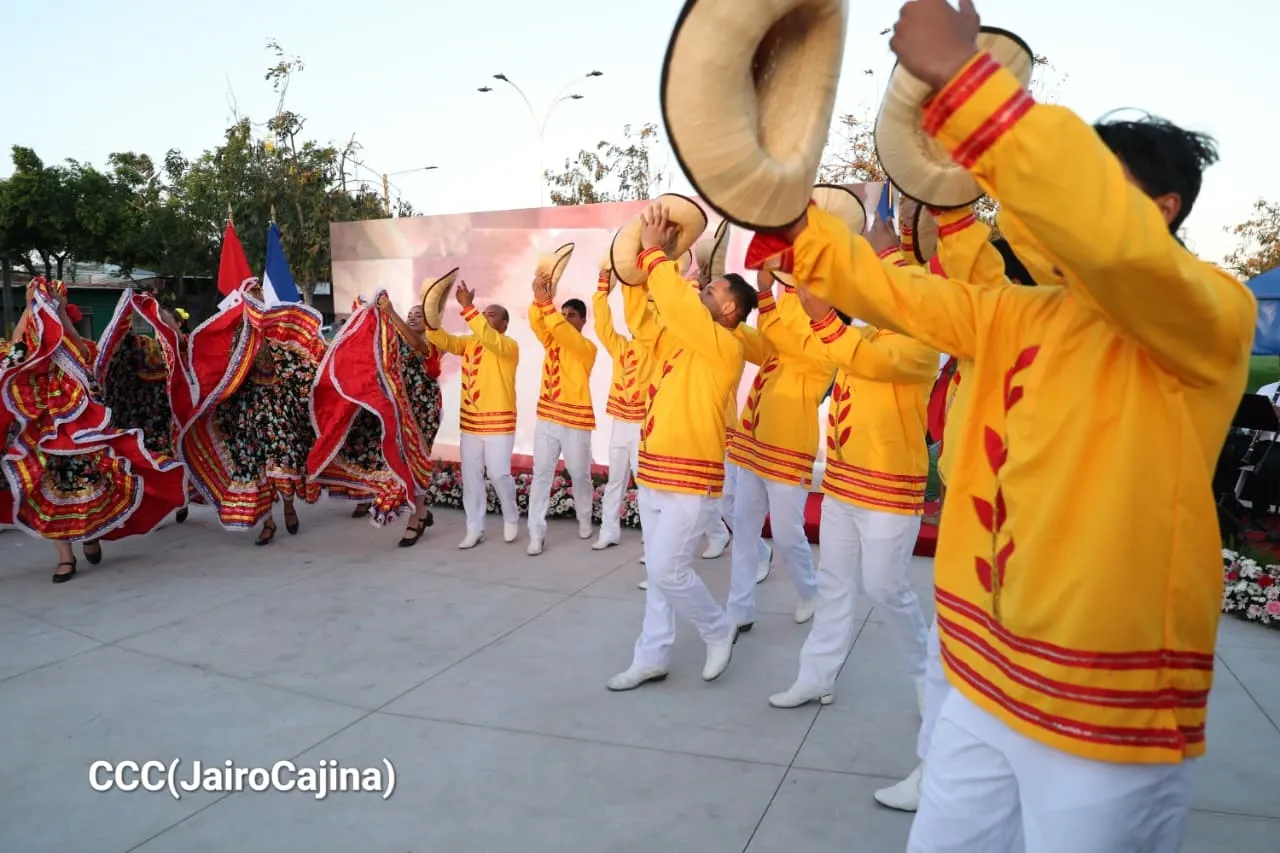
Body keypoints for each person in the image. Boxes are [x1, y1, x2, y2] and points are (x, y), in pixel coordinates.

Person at [770, 1, 1256, 848]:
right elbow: (898, 292)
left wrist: (968, 82)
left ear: (1167, 205)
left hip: (1101, 701)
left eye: (1108, 180)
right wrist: (792, 224)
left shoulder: (1211, 313)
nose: (1055, 194)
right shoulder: (1022, 314)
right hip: (981, 672)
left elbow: (1106, 239)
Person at [764, 282, 938, 710]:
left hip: (889, 488)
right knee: (834, 583)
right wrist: (789, 289)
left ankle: (925, 677)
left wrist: (822, 317)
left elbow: (868, 362)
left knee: (886, 587)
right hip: (842, 484)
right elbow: (810, 340)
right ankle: (816, 676)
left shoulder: (922, 345)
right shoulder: (857, 337)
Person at [607, 203, 758, 691]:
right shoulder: (679, 334)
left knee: (667, 570)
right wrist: (646, 266)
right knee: (658, 576)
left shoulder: (726, 346)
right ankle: (652, 655)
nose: (701, 289)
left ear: (729, 309)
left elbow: (674, 304)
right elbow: (644, 317)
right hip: (653, 468)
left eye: (711, 289)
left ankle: (718, 631)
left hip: (691, 475)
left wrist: (658, 255)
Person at [1, 278, 186, 581]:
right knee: (45, 490)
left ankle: (90, 533)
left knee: (85, 484)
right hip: (41, 434)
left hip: (78, 436)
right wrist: (29, 305)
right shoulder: (28, 356)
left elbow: (85, 357)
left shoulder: (78, 350)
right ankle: (65, 557)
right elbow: (13, 355)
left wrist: (59, 311)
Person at [723, 266, 832, 631]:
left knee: (787, 533)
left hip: (787, 450)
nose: (796, 295)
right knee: (745, 527)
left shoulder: (825, 347)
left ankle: (810, 590)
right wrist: (731, 321)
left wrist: (768, 297)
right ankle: (740, 609)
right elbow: (761, 343)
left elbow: (783, 341)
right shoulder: (780, 335)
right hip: (753, 443)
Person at [424, 282, 521, 549]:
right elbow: (445, 340)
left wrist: (468, 307)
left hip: (499, 423)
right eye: (484, 313)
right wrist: (430, 318)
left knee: (500, 474)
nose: (486, 317)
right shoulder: (470, 342)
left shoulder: (508, 346)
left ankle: (511, 516)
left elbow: (487, 336)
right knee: (471, 475)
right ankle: (474, 528)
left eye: (492, 314)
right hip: (471, 423)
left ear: (504, 324)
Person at [526, 275, 598, 555]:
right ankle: (536, 534)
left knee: (579, 473)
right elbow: (537, 321)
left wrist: (548, 305)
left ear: (582, 321)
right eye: (563, 314)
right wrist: (537, 298)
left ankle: (584, 516)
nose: (565, 319)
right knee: (541, 474)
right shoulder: (552, 341)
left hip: (576, 421)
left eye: (572, 315)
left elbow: (560, 329)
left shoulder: (585, 348)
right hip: (547, 418)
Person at [591, 264, 651, 559]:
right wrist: (603, 287)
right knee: (616, 479)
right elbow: (603, 327)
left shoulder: (657, 349)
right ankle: (608, 532)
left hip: (644, 425)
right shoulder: (622, 347)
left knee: (646, 485)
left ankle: (650, 542)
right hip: (620, 422)